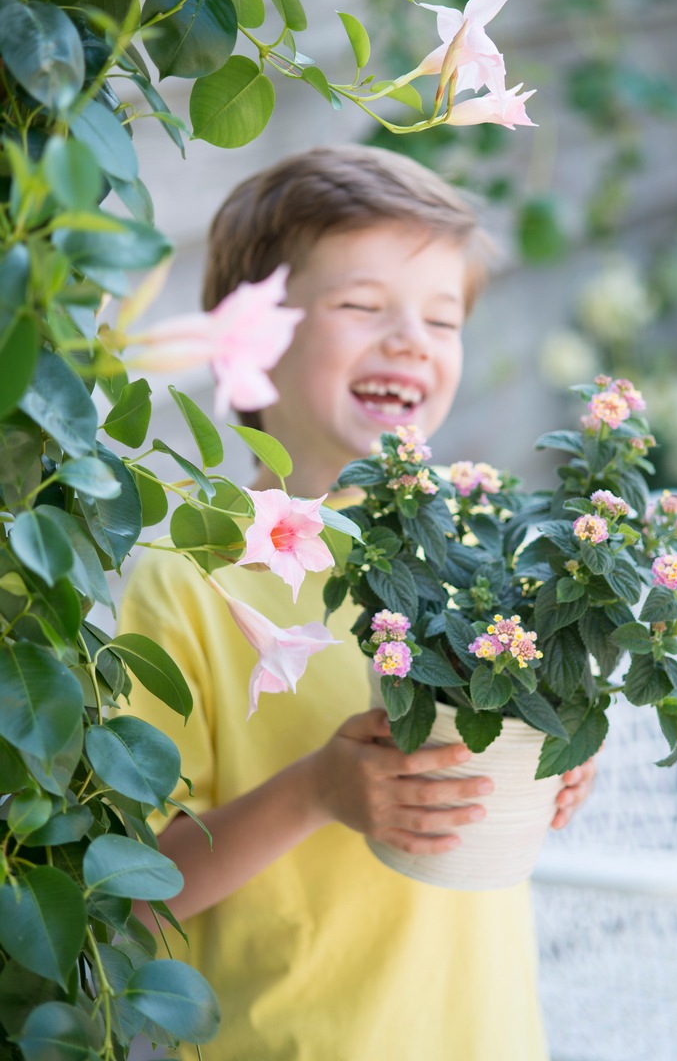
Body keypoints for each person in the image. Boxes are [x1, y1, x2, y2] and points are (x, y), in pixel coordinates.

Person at [120, 144, 596, 1061]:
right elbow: (135, 893)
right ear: (256, 340)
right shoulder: (187, 576)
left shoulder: (484, 534)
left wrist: (556, 760)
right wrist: (316, 793)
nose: (411, 340)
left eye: (442, 318)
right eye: (359, 306)